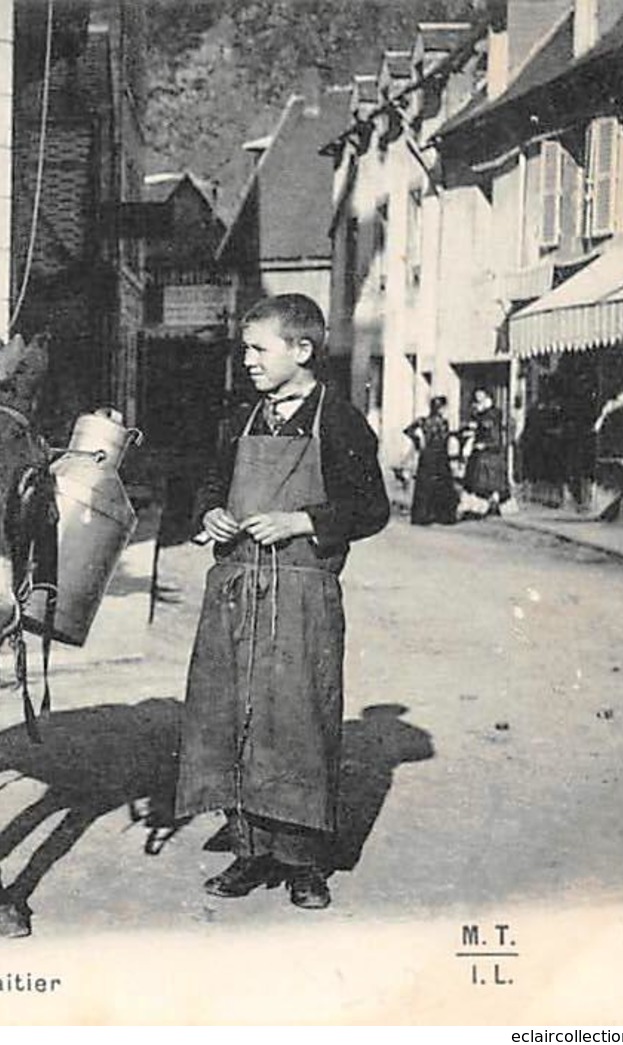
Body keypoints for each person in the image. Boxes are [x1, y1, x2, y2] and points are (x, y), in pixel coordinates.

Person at [175, 294, 389, 910]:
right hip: (237, 592)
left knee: (298, 722)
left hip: (302, 596)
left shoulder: (341, 421)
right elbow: (211, 487)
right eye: (245, 349)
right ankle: (249, 850)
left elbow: (371, 510)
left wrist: (300, 520)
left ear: (303, 350)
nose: (247, 361)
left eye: (258, 349)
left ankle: (303, 862)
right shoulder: (239, 420)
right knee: (233, 716)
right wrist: (210, 514)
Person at [404, 395, 458, 525]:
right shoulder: (443, 422)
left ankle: (423, 515)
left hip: (427, 456)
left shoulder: (423, 421)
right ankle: (441, 515)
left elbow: (408, 431)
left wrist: (419, 442)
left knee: (425, 486)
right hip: (439, 456)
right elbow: (444, 438)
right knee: (441, 485)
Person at [462, 387, 511, 515]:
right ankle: (486, 506)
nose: (478, 398)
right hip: (482, 451)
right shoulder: (479, 412)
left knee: (488, 482)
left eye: (481, 395)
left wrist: (485, 444)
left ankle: (490, 506)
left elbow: (493, 434)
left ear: (487, 397)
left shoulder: (492, 414)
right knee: (482, 482)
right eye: (476, 395)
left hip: (490, 453)